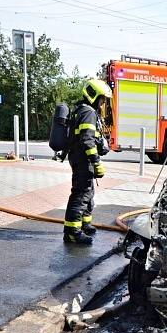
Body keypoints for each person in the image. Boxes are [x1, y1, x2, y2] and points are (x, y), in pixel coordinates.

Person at [63, 79, 111, 245]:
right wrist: (96, 162)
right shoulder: (88, 112)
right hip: (83, 159)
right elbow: (87, 140)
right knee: (81, 194)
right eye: (102, 99)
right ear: (94, 96)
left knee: (88, 192)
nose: (103, 103)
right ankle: (72, 232)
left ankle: (84, 224)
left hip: (79, 157)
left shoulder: (82, 110)